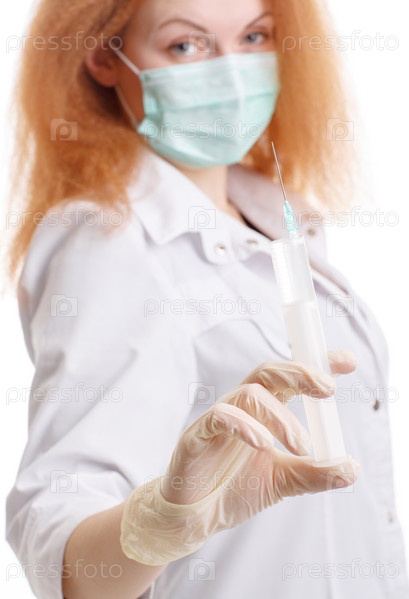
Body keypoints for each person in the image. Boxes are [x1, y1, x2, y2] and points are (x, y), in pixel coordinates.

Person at [5, 0, 409, 598]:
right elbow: (64, 549)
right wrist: (159, 527)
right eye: (186, 45)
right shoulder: (108, 240)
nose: (231, 72)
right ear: (103, 57)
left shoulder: (272, 213)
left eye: (254, 36)